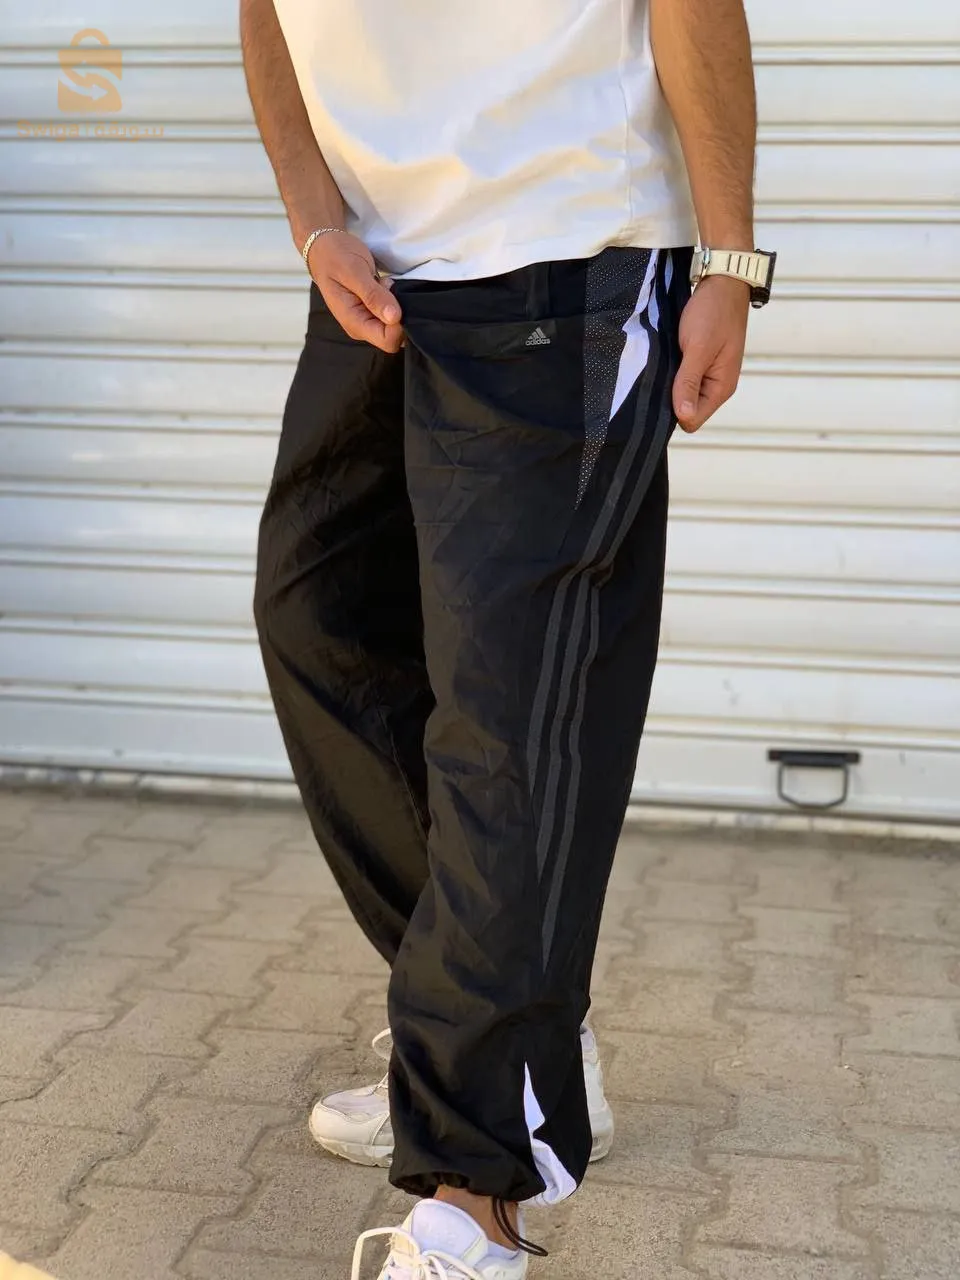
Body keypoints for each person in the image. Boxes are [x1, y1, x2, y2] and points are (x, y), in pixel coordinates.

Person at [242, 0, 775, 1274]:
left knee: (507, 714)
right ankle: (499, 1033)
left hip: (569, 248)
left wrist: (727, 260)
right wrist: (315, 216)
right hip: (383, 273)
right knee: (319, 622)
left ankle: (474, 1194)